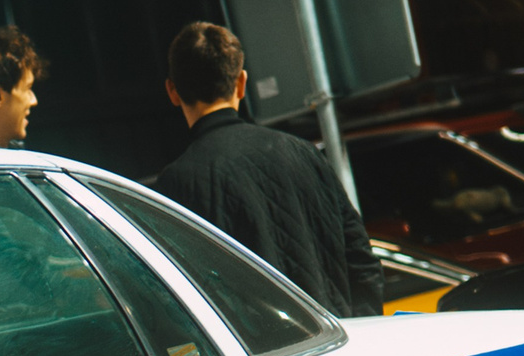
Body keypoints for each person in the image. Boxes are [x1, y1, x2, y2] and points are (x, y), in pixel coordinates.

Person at [151, 21, 384, 316]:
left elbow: (180, 299)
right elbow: (361, 260)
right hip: (341, 337)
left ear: (172, 91)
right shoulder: (303, 153)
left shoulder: (176, 184)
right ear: (241, 83)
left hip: (259, 347)